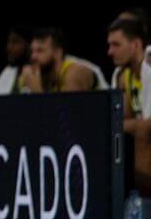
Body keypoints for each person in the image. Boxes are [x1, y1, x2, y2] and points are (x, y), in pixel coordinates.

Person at [107, 17, 151, 192]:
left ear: (136, 44)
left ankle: (145, 197)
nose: (110, 52)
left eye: (116, 45)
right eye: (109, 45)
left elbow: (145, 124)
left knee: (143, 130)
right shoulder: (122, 74)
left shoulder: (149, 62)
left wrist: (128, 124)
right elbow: (119, 119)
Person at [18, 27, 107, 93]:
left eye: (40, 51)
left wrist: (36, 92)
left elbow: (72, 112)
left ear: (58, 52)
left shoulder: (74, 72)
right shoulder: (36, 74)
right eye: (32, 51)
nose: (33, 57)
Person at [0, 26, 31, 95]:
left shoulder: (38, 74)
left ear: (29, 45)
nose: (9, 47)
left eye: (15, 42)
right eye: (9, 42)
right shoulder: (8, 71)